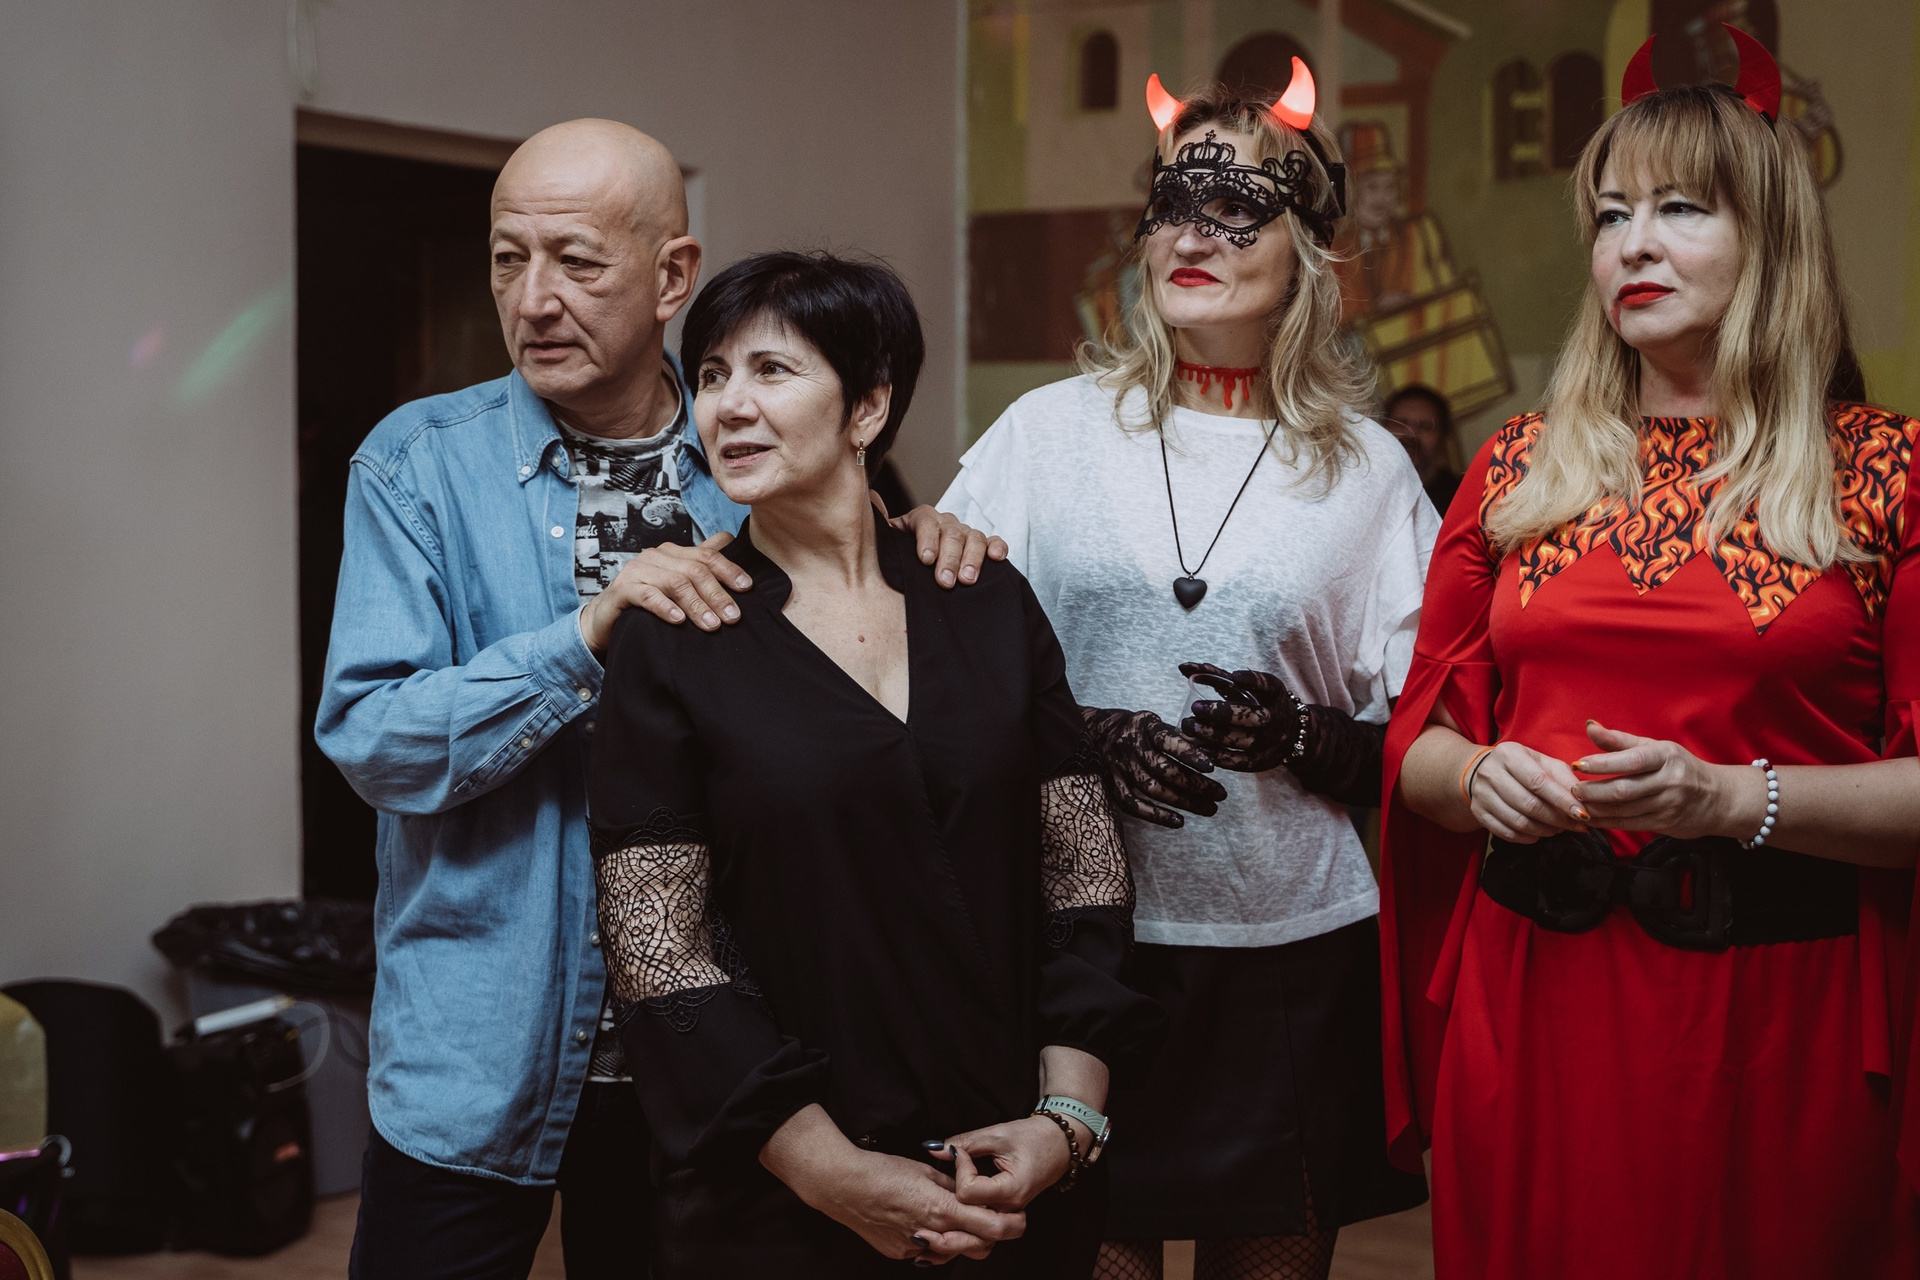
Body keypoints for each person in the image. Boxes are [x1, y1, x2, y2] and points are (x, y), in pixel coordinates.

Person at [316, 120, 1002, 1280]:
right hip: (478, 1049)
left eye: (577, 262)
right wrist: (586, 634)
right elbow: (374, 739)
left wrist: (921, 550)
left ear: (672, 275)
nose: (534, 299)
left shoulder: (760, 455)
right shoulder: (417, 464)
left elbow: (866, 704)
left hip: (716, 1056)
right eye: (507, 259)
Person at [1381, 33, 1920, 1280]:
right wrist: (1478, 776)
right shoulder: (1518, 465)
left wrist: (1733, 797)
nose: (1634, 243)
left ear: (1769, 235)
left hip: (1773, 1021)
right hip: (1534, 999)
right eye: (1612, 213)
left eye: (1680, 208)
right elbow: (1419, 741)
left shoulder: (1887, 470)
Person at [940, 72, 1433, 1280]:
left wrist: (1304, 736)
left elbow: (1429, 736)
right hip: (1082, 948)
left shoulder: (1367, 470)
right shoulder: (1045, 433)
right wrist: (1083, 734)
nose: (1192, 235)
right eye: (1172, 204)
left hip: (1289, 954)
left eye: (1235, 208)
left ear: (1307, 246)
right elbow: (934, 669)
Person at [587, 250, 1163, 1277]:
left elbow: (1082, 872)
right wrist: (833, 1173)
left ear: (868, 406)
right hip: (780, 1189)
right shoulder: (675, 633)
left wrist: (1066, 1121)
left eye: (772, 369)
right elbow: (657, 948)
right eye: (711, 375)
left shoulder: (984, 597)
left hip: (1012, 1166)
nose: (729, 405)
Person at [1381, 383, 1461, 515]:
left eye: (1425, 426)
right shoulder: (1365, 489)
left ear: (1443, 436)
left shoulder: (1460, 499)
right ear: (1383, 428)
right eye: (1400, 423)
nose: (1411, 434)